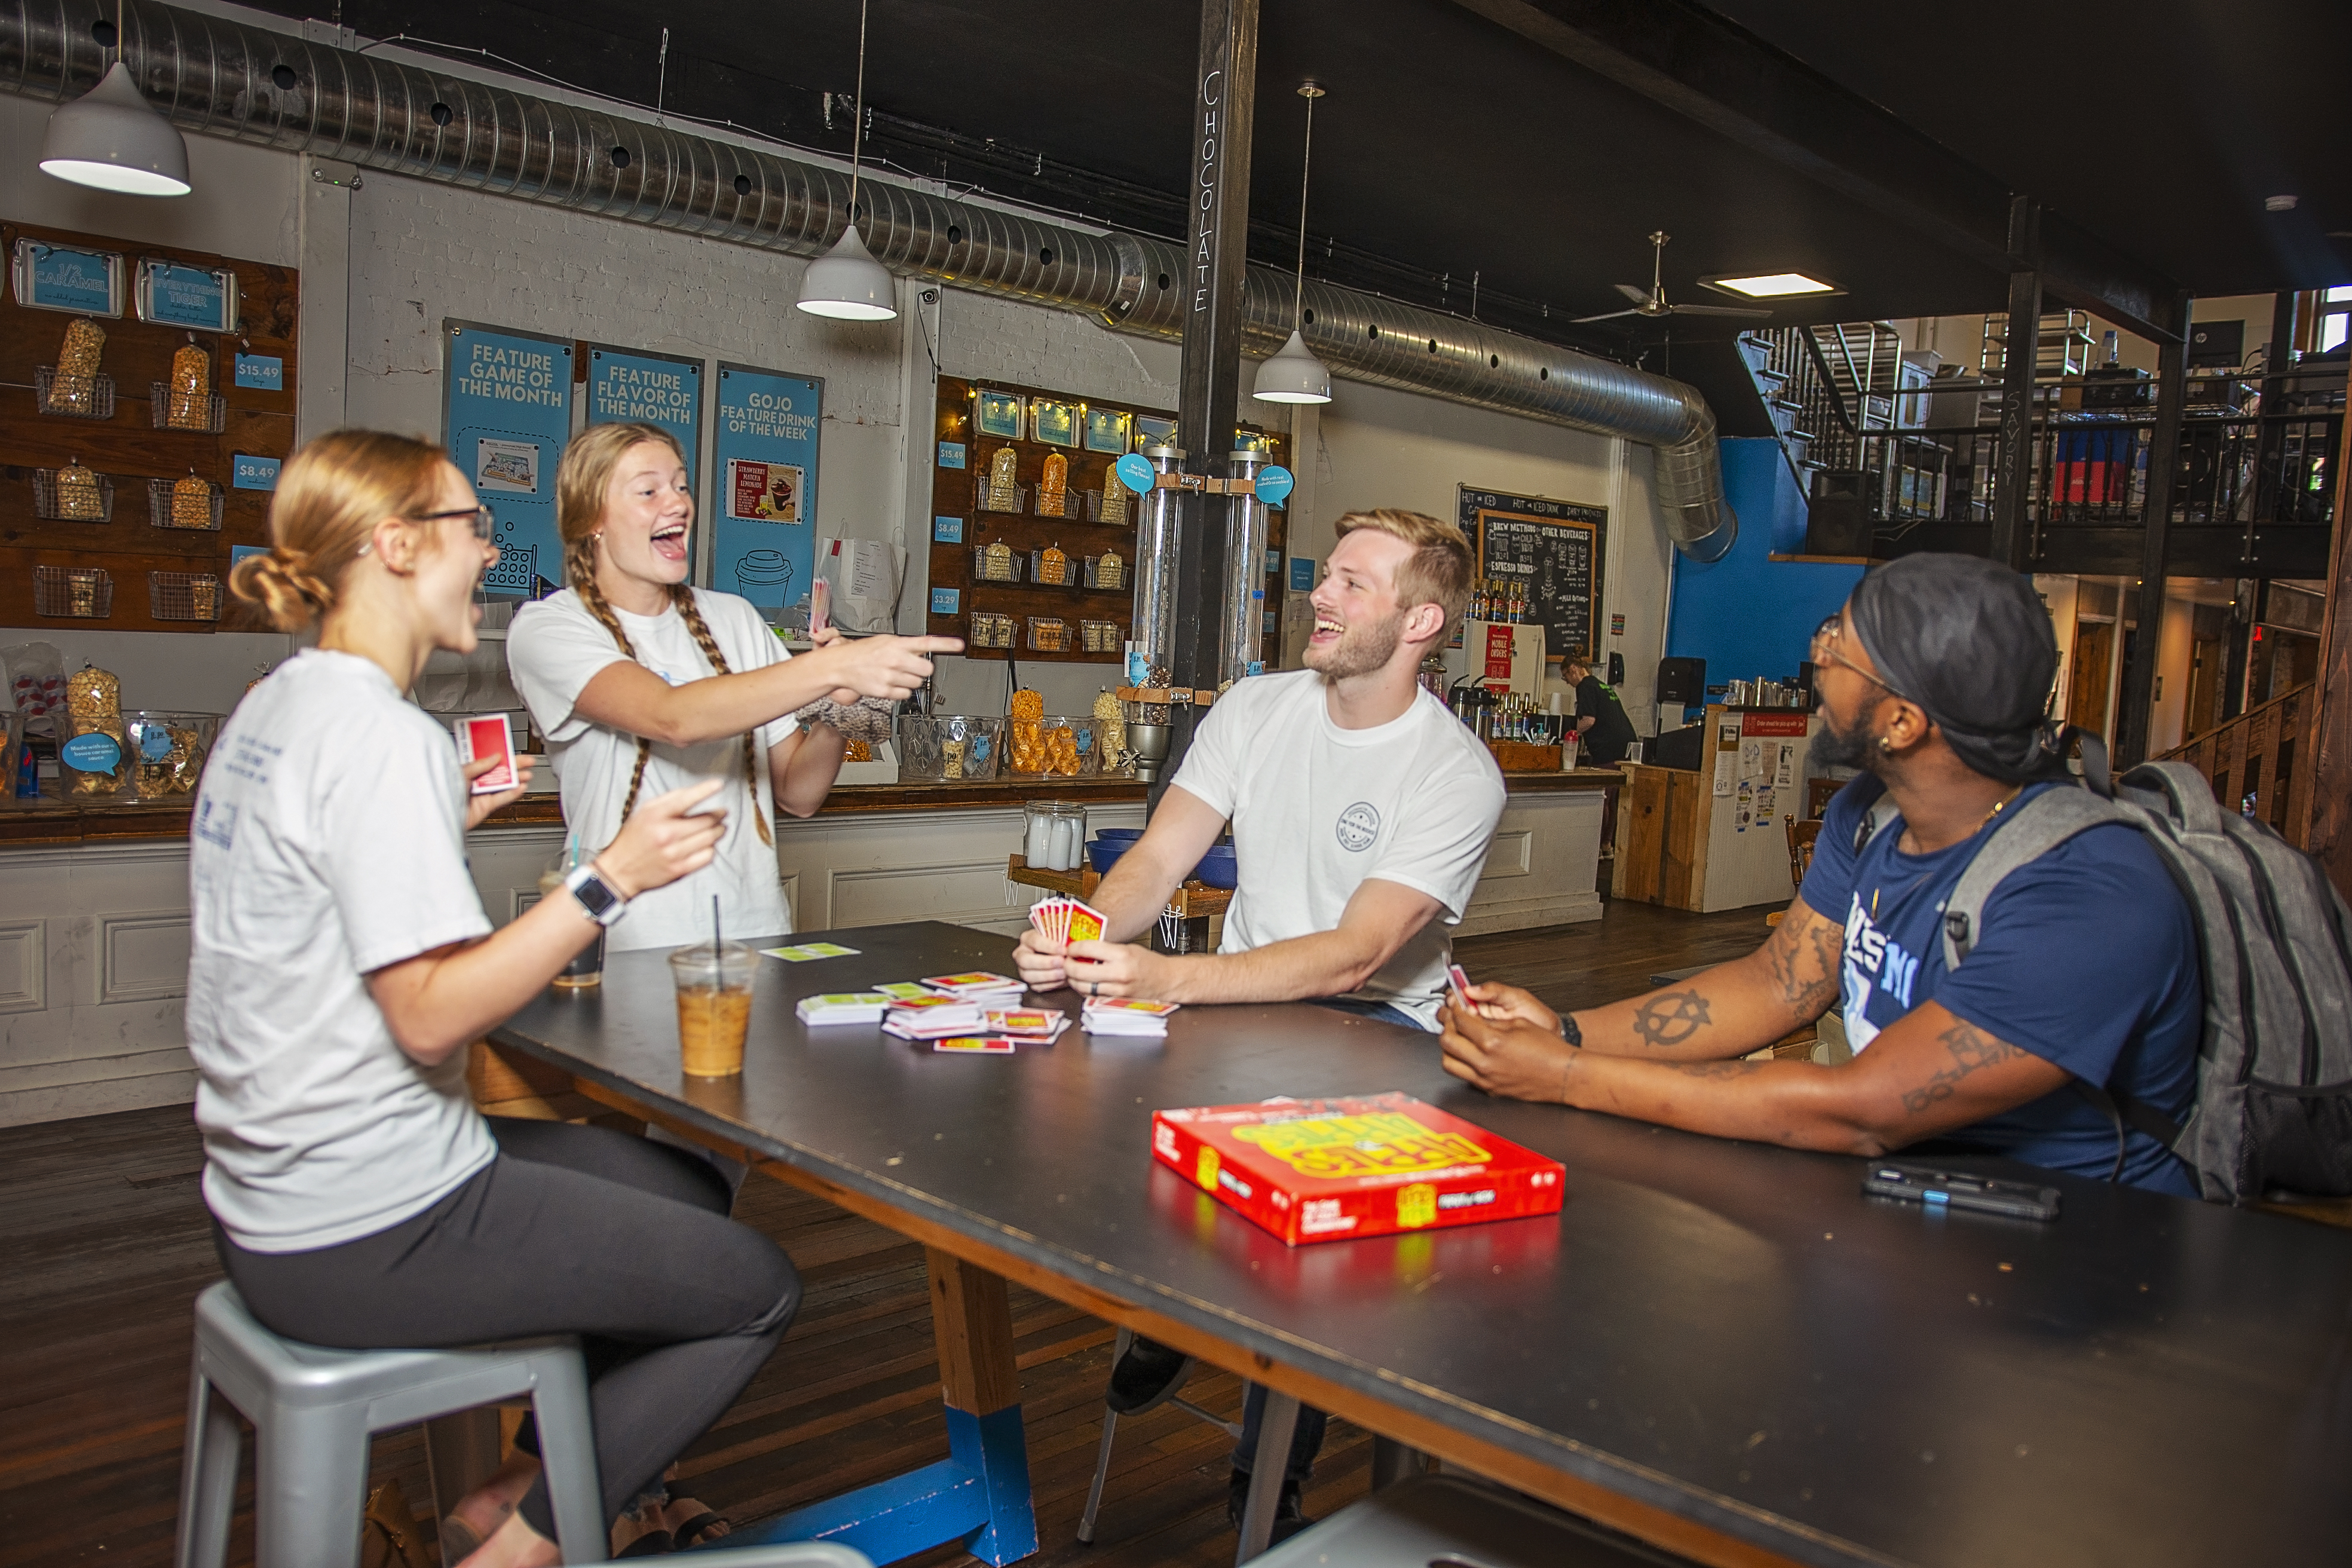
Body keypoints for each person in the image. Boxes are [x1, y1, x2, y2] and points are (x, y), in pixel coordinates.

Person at [193, 430, 793, 1567]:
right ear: (394, 546)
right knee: (757, 1287)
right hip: (365, 1218)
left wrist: (430, 829)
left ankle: (528, 1478)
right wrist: (611, 875)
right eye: (472, 528)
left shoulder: (278, 708)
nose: (490, 552)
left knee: (676, 1181)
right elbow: (428, 1014)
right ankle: (519, 1545)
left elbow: (296, 906)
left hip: (268, 1193)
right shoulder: (380, 735)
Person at [1015, 507, 1505, 1541]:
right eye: (1325, 576)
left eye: (1352, 585)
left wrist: (1170, 979)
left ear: (1422, 620)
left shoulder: (1456, 771)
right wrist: (1086, 934)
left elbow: (1358, 951)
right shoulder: (1257, 704)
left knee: (1314, 1263)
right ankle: (1175, 1304)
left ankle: (1269, 1471)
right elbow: (1159, 856)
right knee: (1120, 1127)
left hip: (1385, 1041)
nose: (1319, 598)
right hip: (1242, 1007)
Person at [1441, 553, 2203, 1198]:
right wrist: (1569, 1031)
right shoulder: (1872, 813)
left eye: (1840, 647)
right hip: (1914, 1207)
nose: (1819, 658)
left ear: (1903, 721)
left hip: (2076, 1260)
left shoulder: (2090, 892)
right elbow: (1780, 982)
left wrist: (1569, 1075)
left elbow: (1865, 1110)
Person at [507, 421, 959, 951]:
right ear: (593, 520)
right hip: (624, 941)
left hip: (754, 936)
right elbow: (672, 718)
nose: (675, 503)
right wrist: (832, 669)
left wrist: (840, 712)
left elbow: (799, 793)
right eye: (648, 490)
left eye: (680, 485)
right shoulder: (550, 628)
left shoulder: (735, 619)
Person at [1562, 654, 1637, 765]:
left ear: (1573, 669)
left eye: (1565, 676)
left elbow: (1588, 721)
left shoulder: (1584, 686)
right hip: (1627, 747)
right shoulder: (1599, 685)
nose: (1567, 682)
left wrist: (1571, 734)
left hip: (1609, 751)